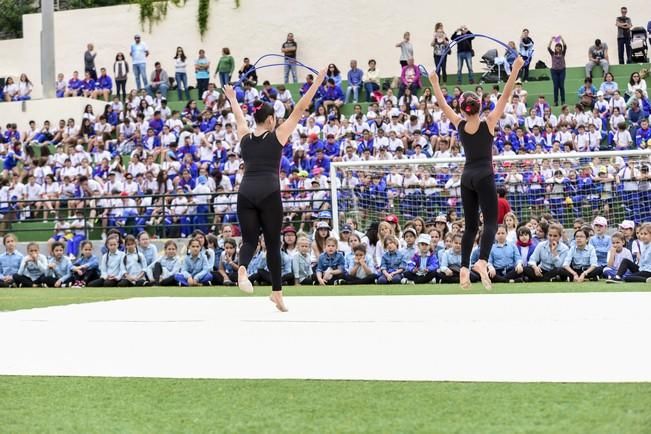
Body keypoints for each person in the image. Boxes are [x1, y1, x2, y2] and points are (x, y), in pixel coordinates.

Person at [222, 66, 326, 312]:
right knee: (272, 242)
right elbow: (300, 109)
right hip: (268, 191)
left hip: (245, 192)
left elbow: (238, 117)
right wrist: (317, 83)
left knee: (248, 241)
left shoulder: (245, 137)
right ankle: (277, 293)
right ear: (270, 120)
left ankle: (243, 267)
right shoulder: (277, 136)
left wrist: (232, 98)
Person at [429, 55, 525, 290]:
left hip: (466, 177)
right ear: (480, 106)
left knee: (471, 226)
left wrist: (434, 82)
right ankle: (481, 261)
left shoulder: (459, 124)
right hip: (484, 174)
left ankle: (463, 267)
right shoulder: (488, 122)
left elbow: (443, 105)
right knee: (491, 221)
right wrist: (515, 69)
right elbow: (506, 95)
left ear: (462, 108)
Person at [547, 35, 567, 106]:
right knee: (555, 86)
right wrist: (551, 40)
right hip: (554, 71)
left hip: (562, 71)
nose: (558, 48)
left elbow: (565, 46)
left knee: (561, 86)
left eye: (559, 47)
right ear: (555, 48)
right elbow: (548, 48)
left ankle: (563, 101)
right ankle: (555, 101)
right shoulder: (552, 54)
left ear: (561, 48)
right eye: (557, 47)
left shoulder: (563, 53)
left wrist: (562, 39)